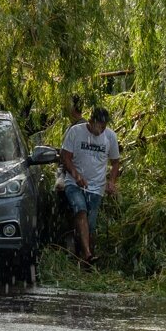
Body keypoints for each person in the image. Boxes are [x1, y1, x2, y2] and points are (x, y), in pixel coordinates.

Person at [60, 106, 120, 266]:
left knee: (91, 223)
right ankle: (87, 254)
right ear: (91, 121)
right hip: (74, 183)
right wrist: (76, 175)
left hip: (97, 186)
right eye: (99, 126)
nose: (101, 130)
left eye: (104, 126)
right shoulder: (76, 132)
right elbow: (65, 156)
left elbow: (115, 163)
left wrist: (111, 182)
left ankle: (84, 257)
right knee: (80, 210)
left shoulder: (110, 137)